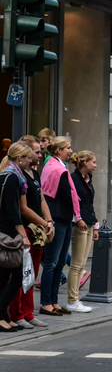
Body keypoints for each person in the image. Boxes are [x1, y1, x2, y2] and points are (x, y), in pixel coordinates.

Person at [8, 136, 53, 328]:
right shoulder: (18, 175)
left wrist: (49, 221)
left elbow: (42, 200)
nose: (40, 155)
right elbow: (23, 208)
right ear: (24, 155)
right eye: (37, 152)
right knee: (21, 274)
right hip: (25, 229)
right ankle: (17, 313)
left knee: (31, 274)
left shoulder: (34, 174)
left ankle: (28, 313)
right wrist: (43, 222)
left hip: (36, 230)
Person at [40, 137, 81, 317]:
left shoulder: (55, 166)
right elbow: (67, 194)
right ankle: (46, 303)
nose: (71, 151)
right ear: (59, 150)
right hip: (59, 218)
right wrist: (78, 216)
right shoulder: (57, 168)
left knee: (58, 262)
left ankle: (54, 301)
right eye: (68, 148)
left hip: (62, 218)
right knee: (52, 262)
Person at [0, 142, 33, 332]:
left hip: (4, 232)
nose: (30, 161)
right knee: (18, 275)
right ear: (20, 158)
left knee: (4, 276)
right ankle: (0, 315)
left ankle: (4, 317)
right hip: (9, 233)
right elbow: (13, 211)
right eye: (28, 157)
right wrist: (23, 235)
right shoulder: (12, 178)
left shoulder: (6, 175)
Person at [68, 151, 99, 313]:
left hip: (87, 223)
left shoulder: (88, 180)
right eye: (93, 162)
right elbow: (72, 202)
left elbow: (89, 204)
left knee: (81, 264)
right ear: (85, 163)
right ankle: (72, 300)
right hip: (79, 224)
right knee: (77, 264)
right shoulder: (73, 179)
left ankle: (74, 300)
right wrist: (77, 218)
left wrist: (95, 226)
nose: (95, 165)